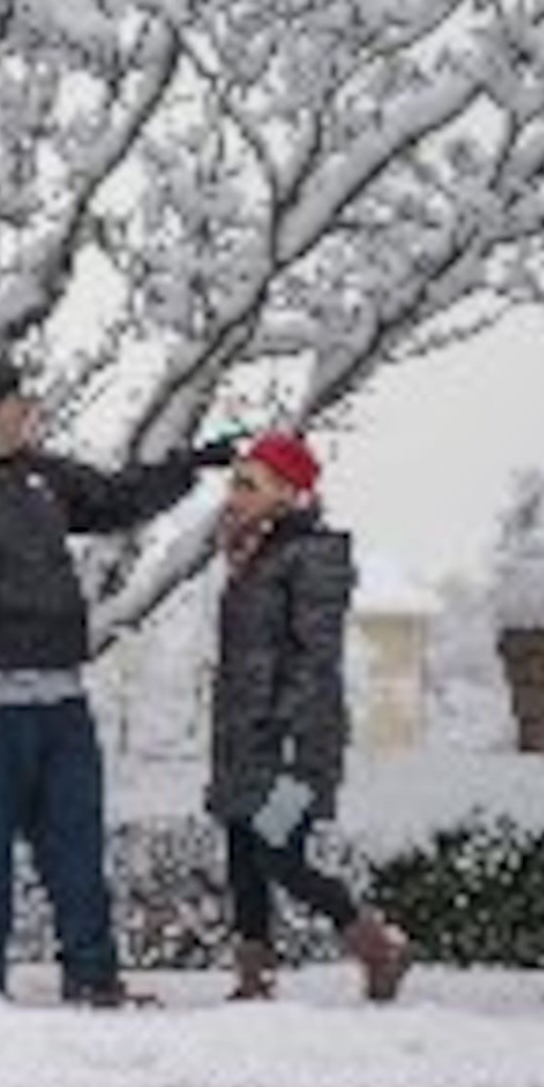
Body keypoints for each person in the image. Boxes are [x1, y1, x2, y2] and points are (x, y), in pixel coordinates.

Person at [0, 355, 232, 1005]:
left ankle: (93, 978)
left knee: (78, 850)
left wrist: (189, 465)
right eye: (14, 404)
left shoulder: (42, 478)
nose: (27, 413)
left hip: (62, 702)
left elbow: (118, 497)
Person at [206, 428, 409, 1003]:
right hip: (245, 740)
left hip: (293, 743)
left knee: (277, 852)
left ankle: (377, 944)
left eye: (250, 484)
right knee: (244, 853)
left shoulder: (312, 558)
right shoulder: (251, 554)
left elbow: (315, 658)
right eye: (234, 483)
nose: (235, 495)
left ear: (289, 493)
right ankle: (253, 977)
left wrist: (290, 731)